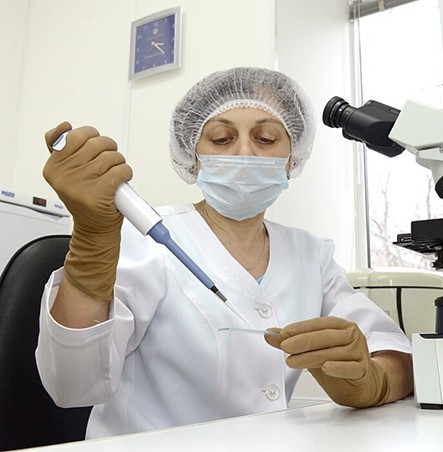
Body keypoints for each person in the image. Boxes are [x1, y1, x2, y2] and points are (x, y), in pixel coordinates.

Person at [36, 67, 413, 439]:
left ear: (292, 158)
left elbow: (400, 359)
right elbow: (72, 386)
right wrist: (90, 242)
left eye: (266, 139)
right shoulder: (143, 239)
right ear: (192, 154)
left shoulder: (310, 254)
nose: (245, 153)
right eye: (221, 139)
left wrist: (371, 382)